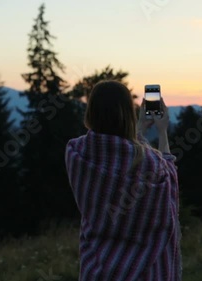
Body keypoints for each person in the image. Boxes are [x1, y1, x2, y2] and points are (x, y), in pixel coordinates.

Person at [65, 80, 181, 281]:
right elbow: (169, 179)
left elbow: (118, 151)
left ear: (91, 111)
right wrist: (162, 131)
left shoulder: (76, 153)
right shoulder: (152, 165)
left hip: (97, 270)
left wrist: (140, 129)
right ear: (128, 112)